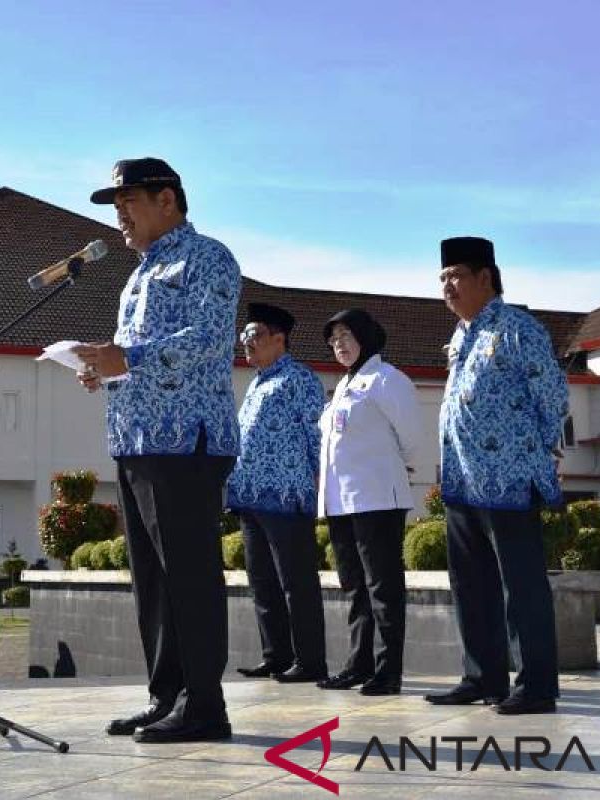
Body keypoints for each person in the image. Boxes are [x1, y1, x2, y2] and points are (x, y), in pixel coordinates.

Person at [76, 157, 241, 744]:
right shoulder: (142, 272)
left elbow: (210, 338)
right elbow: (138, 355)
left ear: (167, 199)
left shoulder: (207, 257)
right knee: (152, 580)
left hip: (185, 442)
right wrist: (107, 370)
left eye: (129, 200)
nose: (119, 213)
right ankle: (165, 695)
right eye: (115, 204)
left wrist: (131, 359)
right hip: (137, 440)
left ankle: (205, 705)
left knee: (189, 576)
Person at [426, 236, 567, 715]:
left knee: (520, 585)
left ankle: (537, 685)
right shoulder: (461, 337)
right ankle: (482, 675)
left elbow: (552, 397)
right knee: (471, 584)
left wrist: (537, 449)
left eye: (456, 276)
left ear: (486, 277)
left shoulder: (516, 328)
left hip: (507, 478)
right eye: (442, 278)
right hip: (462, 480)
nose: (447, 287)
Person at [316, 308, 424, 696]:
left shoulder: (386, 379)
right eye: (332, 341)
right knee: (355, 587)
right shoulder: (344, 386)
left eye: (345, 336)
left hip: (377, 497)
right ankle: (357, 664)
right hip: (341, 503)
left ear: (365, 336)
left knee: (382, 588)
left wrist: (400, 467)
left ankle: (387, 670)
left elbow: (411, 437)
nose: (338, 346)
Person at [226, 302, 328, 684]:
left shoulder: (299, 379)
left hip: (286, 497)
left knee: (295, 582)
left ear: (279, 339)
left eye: (254, 336)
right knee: (263, 581)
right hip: (250, 497)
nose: (246, 344)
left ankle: (310, 661)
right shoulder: (257, 382)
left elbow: (317, 437)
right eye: (244, 337)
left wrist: (321, 487)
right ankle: (276, 655)